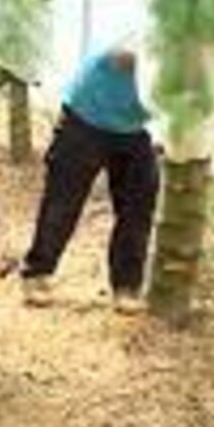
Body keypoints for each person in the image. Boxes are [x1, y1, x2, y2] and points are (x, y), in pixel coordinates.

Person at [20, 43, 159, 314]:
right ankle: (37, 274)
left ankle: (127, 287)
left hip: (132, 126)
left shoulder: (207, 58)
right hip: (87, 115)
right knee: (63, 201)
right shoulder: (161, 32)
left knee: (138, 205)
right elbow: (123, 56)